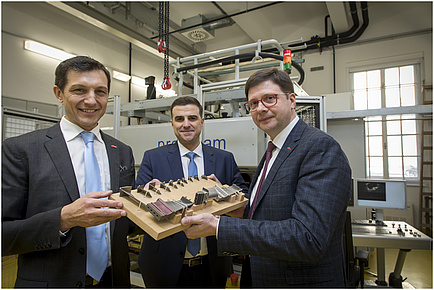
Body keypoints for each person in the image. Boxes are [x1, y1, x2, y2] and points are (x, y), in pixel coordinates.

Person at [181, 68, 352, 287]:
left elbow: (308, 238)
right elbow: (274, 211)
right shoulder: (273, 150)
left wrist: (219, 226)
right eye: (253, 103)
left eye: (269, 99)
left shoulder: (319, 148)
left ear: (292, 100)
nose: (260, 108)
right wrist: (243, 210)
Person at [2, 56, 136, 288]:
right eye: (79, 90)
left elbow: (123, 223)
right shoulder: (21, 150)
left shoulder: (122, 151)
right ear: (59, 93)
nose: (91, 100)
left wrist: (149, 202)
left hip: (113, 280)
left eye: (100, 92)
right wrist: (63, 220)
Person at [135, 96, 248, 288]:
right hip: (163, 265)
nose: (186, 124)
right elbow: (138, 210)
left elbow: (245, 202)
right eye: (179, 119)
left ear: (202, 121)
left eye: (192, 118)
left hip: (213, 265)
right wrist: (147, 195)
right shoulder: (153, 158)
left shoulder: (224, 159)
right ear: (172, 124)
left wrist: (225, 192)